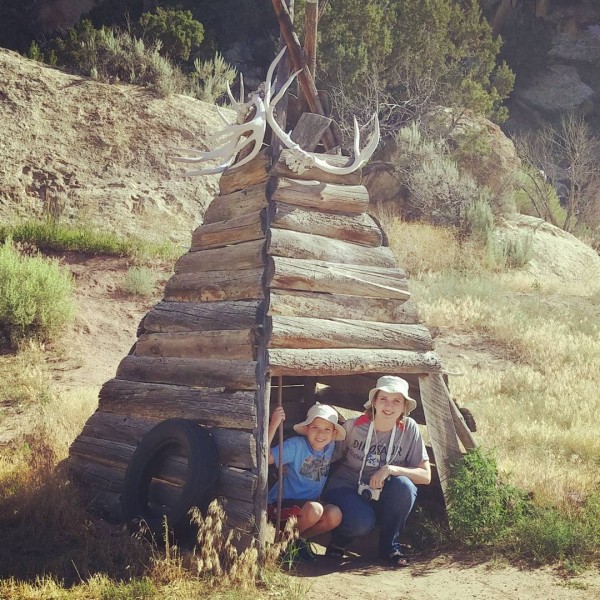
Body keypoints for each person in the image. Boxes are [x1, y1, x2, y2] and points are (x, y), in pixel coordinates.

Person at [322, 375, 431, 567]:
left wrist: (390, 469)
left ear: (404, 407)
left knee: (404, 486)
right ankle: (340, 540)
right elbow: (327, 457)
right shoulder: (354, 427)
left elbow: (426, 475)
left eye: (396, 401)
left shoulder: (409, 429)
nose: (389, 406)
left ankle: (389, 546)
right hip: (346, 486)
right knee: (362, 521)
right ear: (374, 402)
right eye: (384, 399)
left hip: (382, 491)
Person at [268, 403, 346, 559]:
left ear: (333, 434)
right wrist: (274, 424)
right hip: (281, 504)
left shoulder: (329, 447)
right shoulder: (296, 445)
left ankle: (297, 541)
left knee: (334, 515)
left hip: (307, 508)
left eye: (327, 429)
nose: (320, 434)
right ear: (307, 428)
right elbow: (267, 458)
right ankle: (285, 545)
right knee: (315, 509)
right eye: (315, 427)